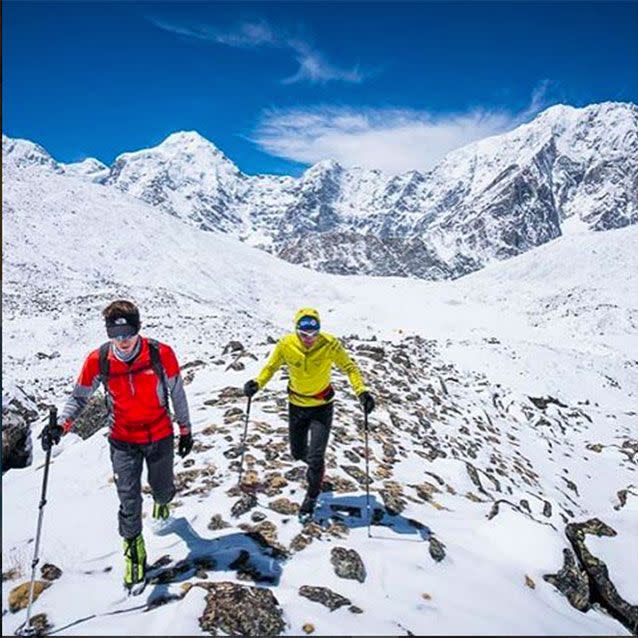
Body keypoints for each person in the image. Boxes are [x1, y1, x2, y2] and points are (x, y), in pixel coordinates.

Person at [41, 300, 193, 589]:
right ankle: (134, 553)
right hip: (123, 440)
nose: (123, 342)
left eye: (128, 334)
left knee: (163, 490)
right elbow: (79, 397)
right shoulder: (98, 360)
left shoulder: (161, 354)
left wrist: (185, 429)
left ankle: (163, 503)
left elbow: (177, 392)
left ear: (138, 329)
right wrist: (61, 425)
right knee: (129, 500)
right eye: (116, 336)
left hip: (160, 434)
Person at [243, 308, 375, 519]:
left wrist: (362, 392)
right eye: (304, 335)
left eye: (314, 334)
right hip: (296, 405)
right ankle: (317, 470)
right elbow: (271, 367)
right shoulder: (286, 345)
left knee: (315, 456)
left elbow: (349, 367)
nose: (309, 339)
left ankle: (312, 495)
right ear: (296, 330)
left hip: (322, 407)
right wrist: (257, 383)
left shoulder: (330, 344)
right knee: (297, 453)